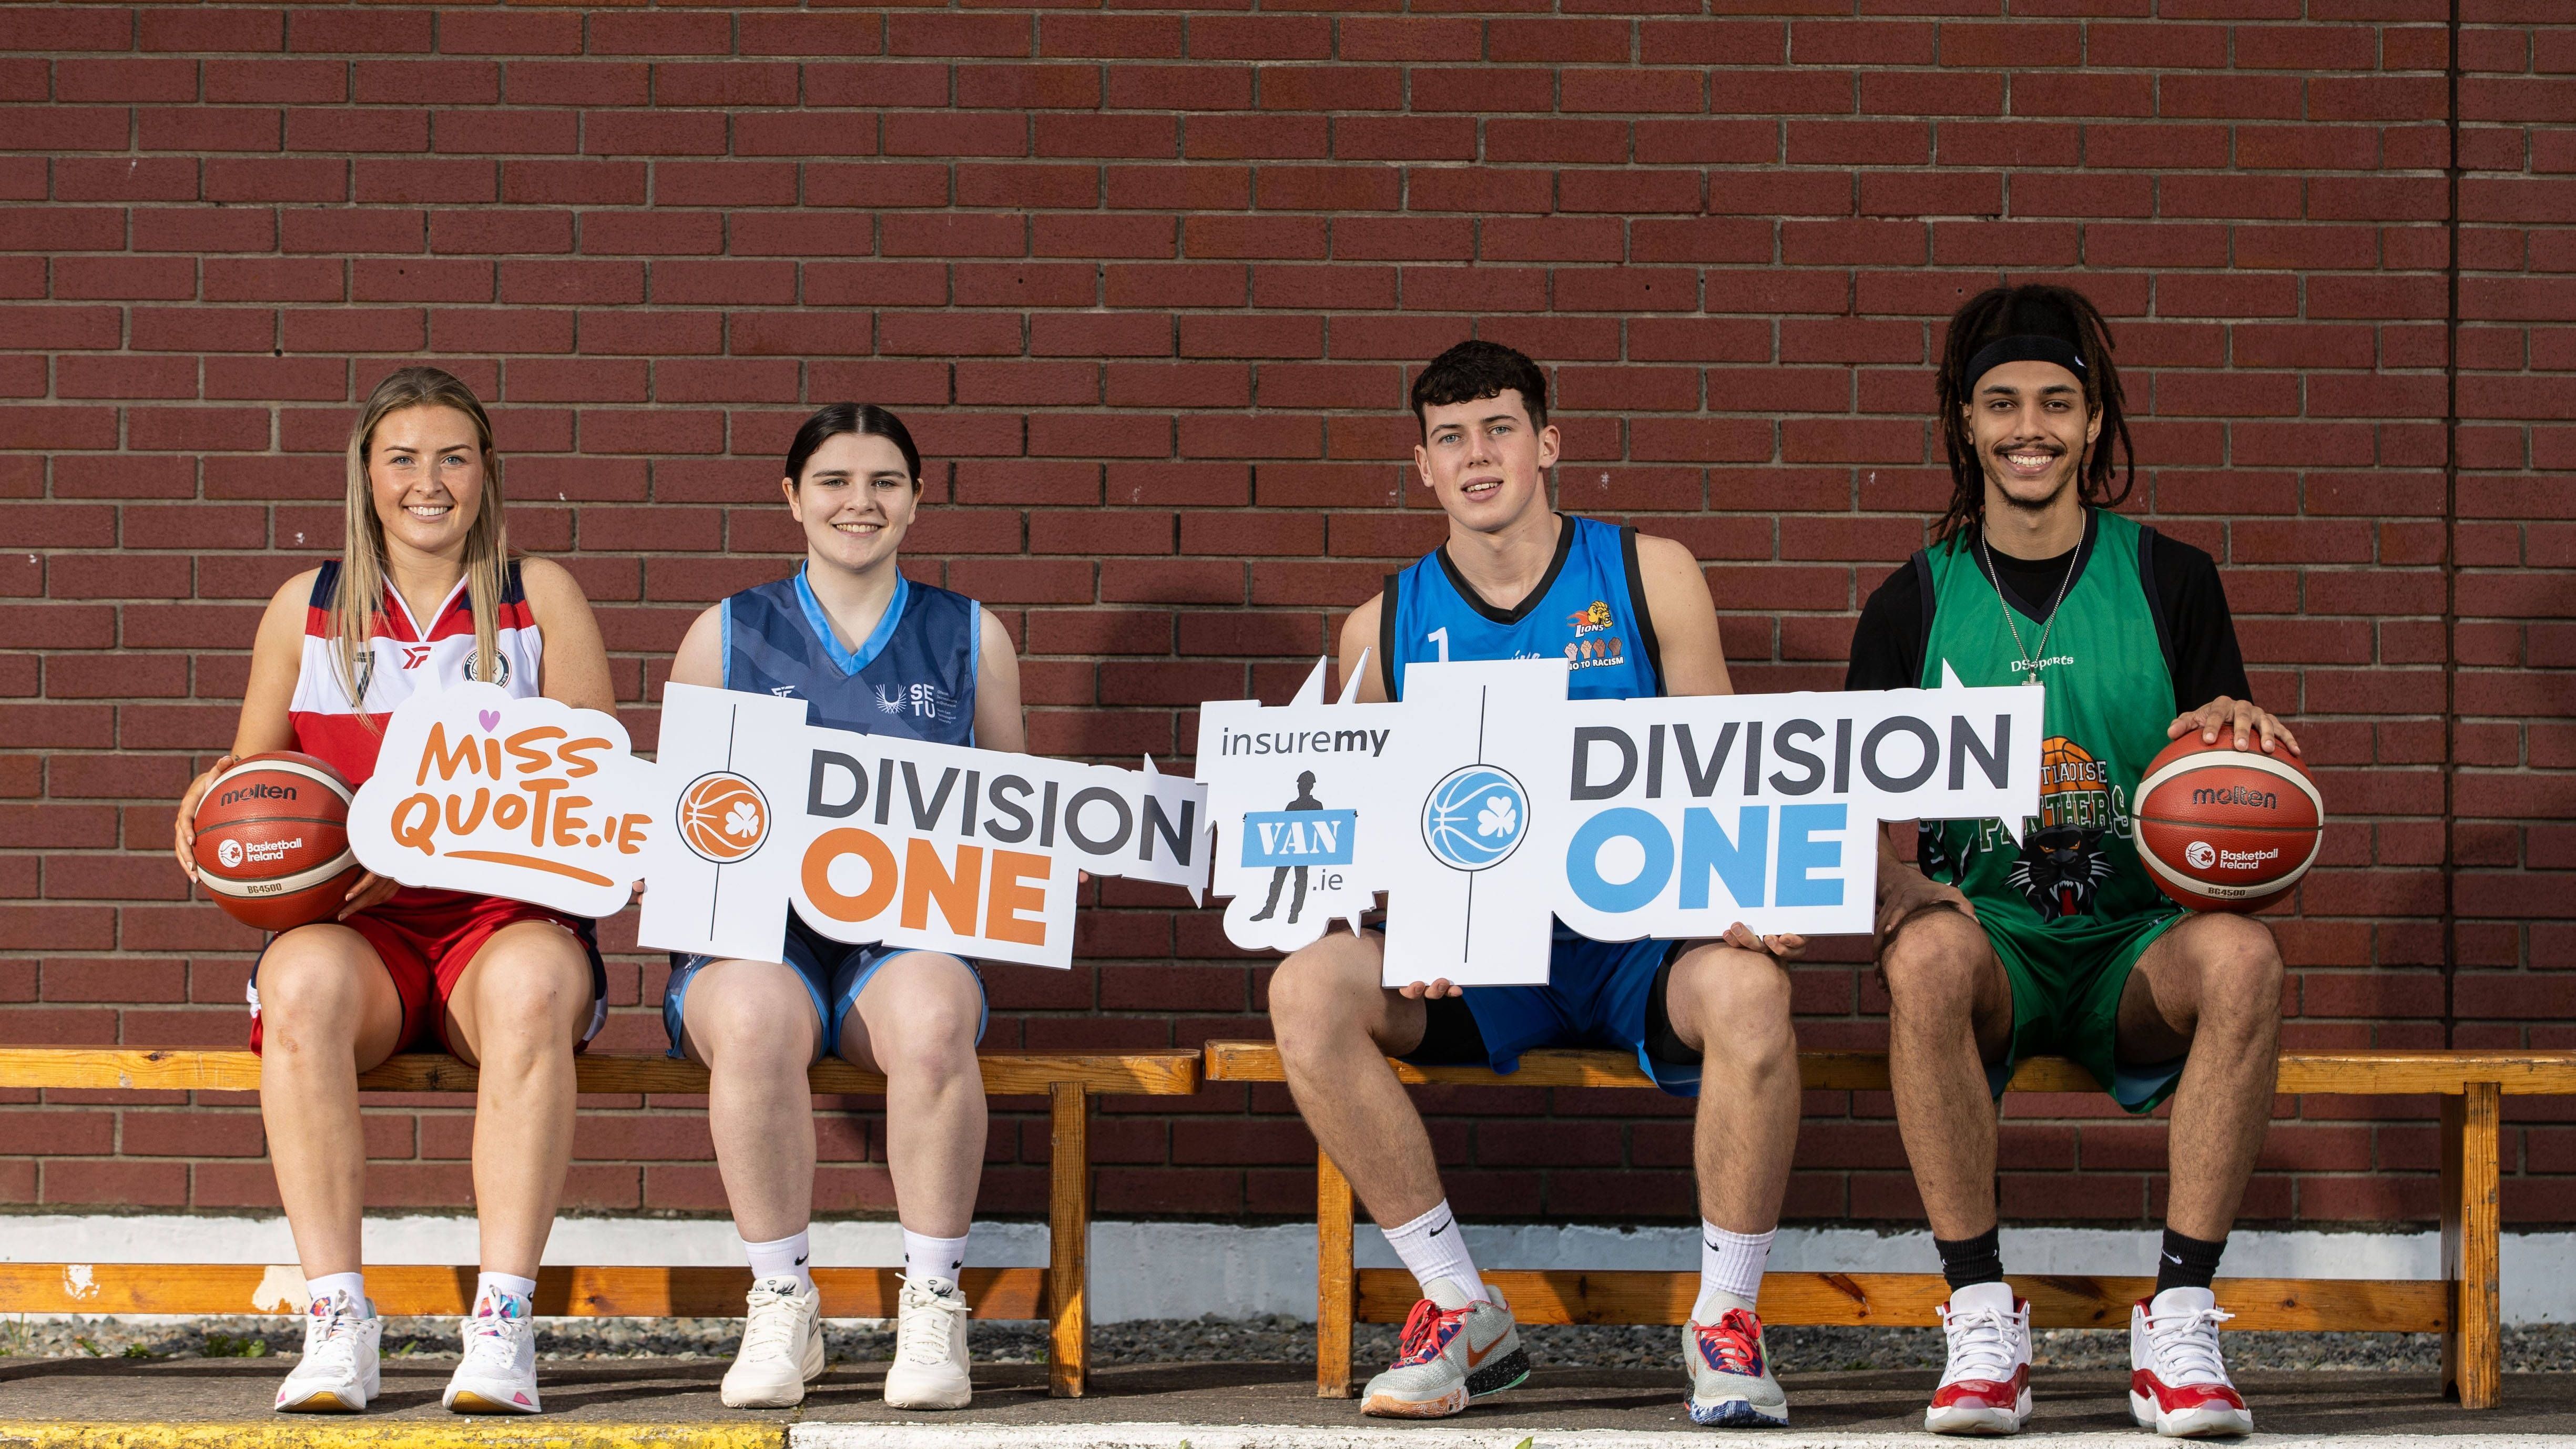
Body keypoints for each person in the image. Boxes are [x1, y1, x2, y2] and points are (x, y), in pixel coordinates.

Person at [1267, 340, 1805, 1426]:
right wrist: (1399, 920)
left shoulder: (1649, 572)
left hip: (1635, 946)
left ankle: (1726, 1320)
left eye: (1500, 429)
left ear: (1547, 444)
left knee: (1754, 994)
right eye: (1451, 437)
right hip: (1483, 959)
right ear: (1421, 465)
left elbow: (1723, 763)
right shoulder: (1379, 625)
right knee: (1305, 987)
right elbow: (1367, 833)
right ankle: (1459, 1305)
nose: (1478, 456)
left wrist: (1747, 890)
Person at [1848, 284, 2295, 1438]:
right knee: (1924, 955)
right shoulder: (1910, 599)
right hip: (1991, 946)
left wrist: (2254, 801)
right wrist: (1889, 884)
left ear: (2092, 422)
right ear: (1962, 424)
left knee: (2245, 956)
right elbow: (1834, 814)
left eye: (2055, 402)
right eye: (2000, 404)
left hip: (2133, 948)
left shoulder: (2171, 580)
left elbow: (2236, 820)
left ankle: (2180, 1321)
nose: (2028, 426)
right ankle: (1981, 1319)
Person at [171, 366, 617, 1416]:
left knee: (533, 994)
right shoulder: (308, 608)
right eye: (403, 458)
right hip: (360, 929)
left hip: (501, 919)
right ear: (366, 477)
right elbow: (255, 781)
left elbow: (596, 789)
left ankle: (502, 1321)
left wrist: (433, 839)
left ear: (486, 473)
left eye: (454, 456)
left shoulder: (536, 596)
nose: (430, 480)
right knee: (299, 985)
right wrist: (213, 813)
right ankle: (337, 1319)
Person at [658, 403, 1024, 1411]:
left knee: (938, 1017)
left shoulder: (969, 636)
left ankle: (935, 1302)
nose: (858, 503)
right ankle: (783, 1300)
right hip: (758, 933)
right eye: (833, 481)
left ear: (916, 501)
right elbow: (684, 809)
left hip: (903, 929)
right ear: (792, 499)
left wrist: (1055, 851)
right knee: (751, 1017)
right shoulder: (725, 631)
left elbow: (1015, 800)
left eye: (884, 483)